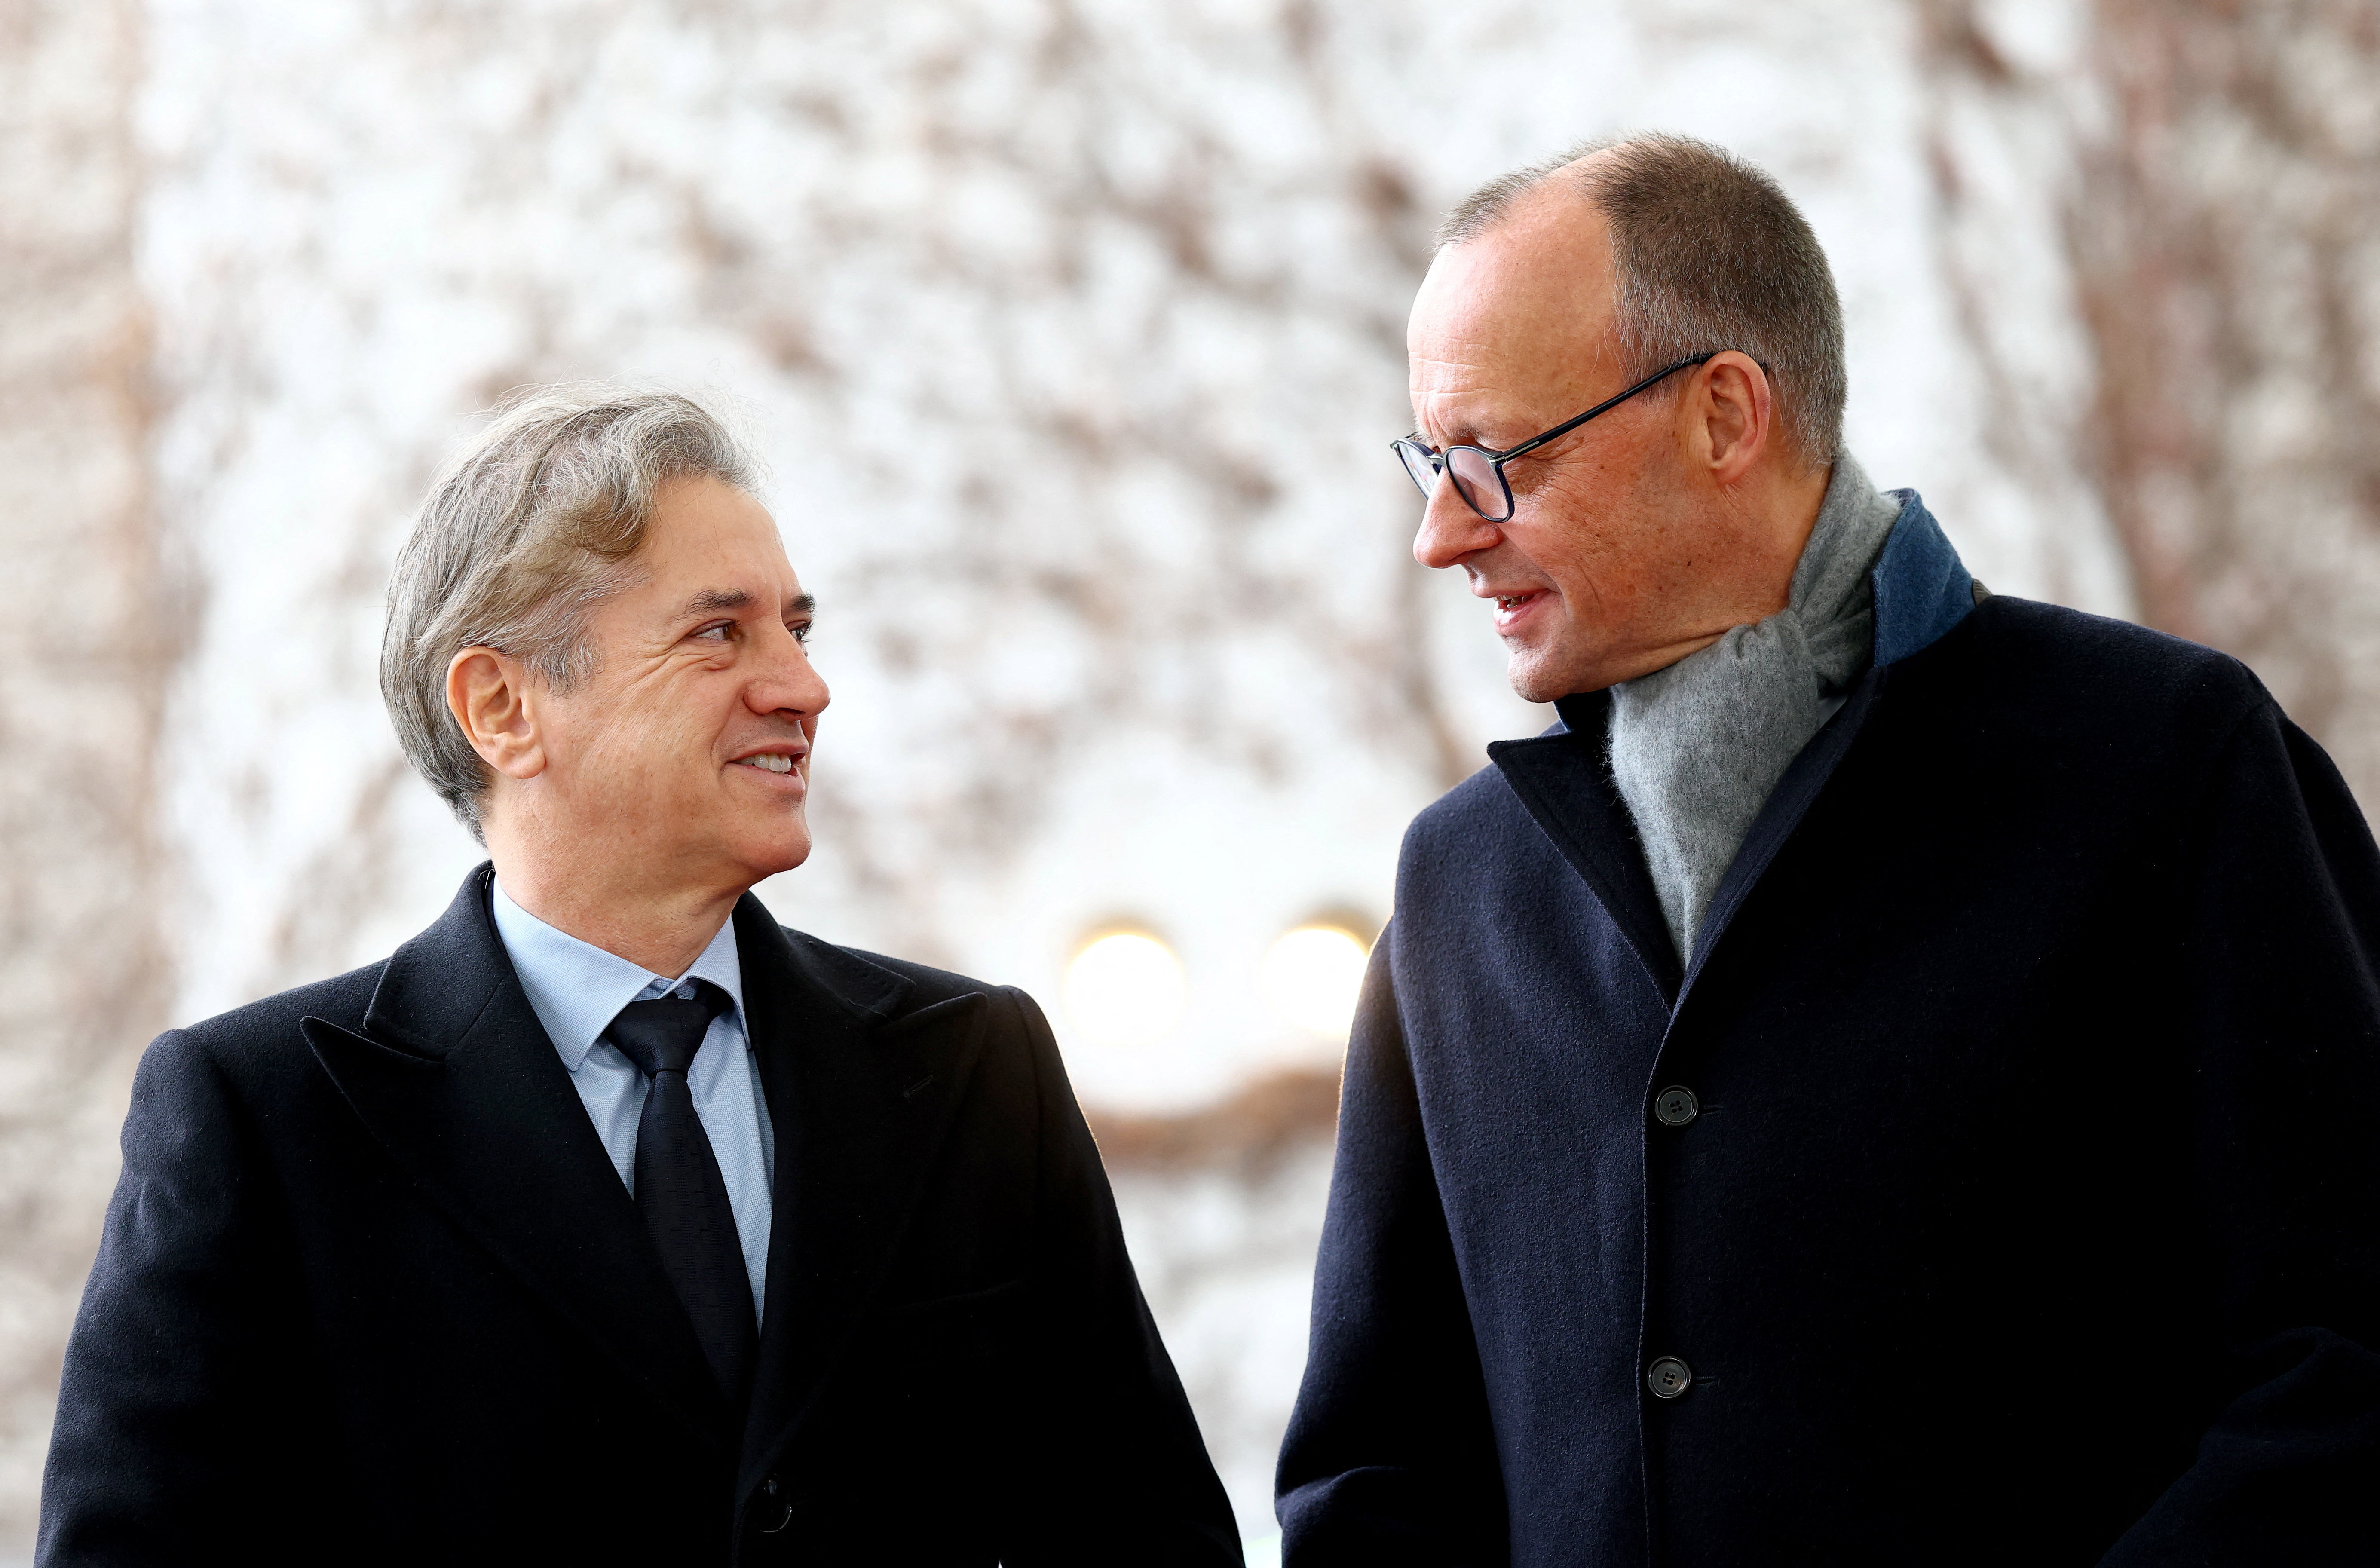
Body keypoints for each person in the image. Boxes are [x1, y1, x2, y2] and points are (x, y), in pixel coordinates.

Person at [1277, 134, 2380, 1565]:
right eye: (1433, 459)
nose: (1440, 535)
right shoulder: (1458, 887)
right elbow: (1377, 1476)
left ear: (1724, 415)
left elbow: (2344, 1366)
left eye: (1491, 460)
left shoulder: (2168, 767)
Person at [40, 388, 1241, 1566]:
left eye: (797, 628)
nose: (802, 687)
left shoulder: (973, 1066)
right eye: (721, 632)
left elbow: (1150, 1534)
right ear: (503, 708)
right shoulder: (263, 1118)